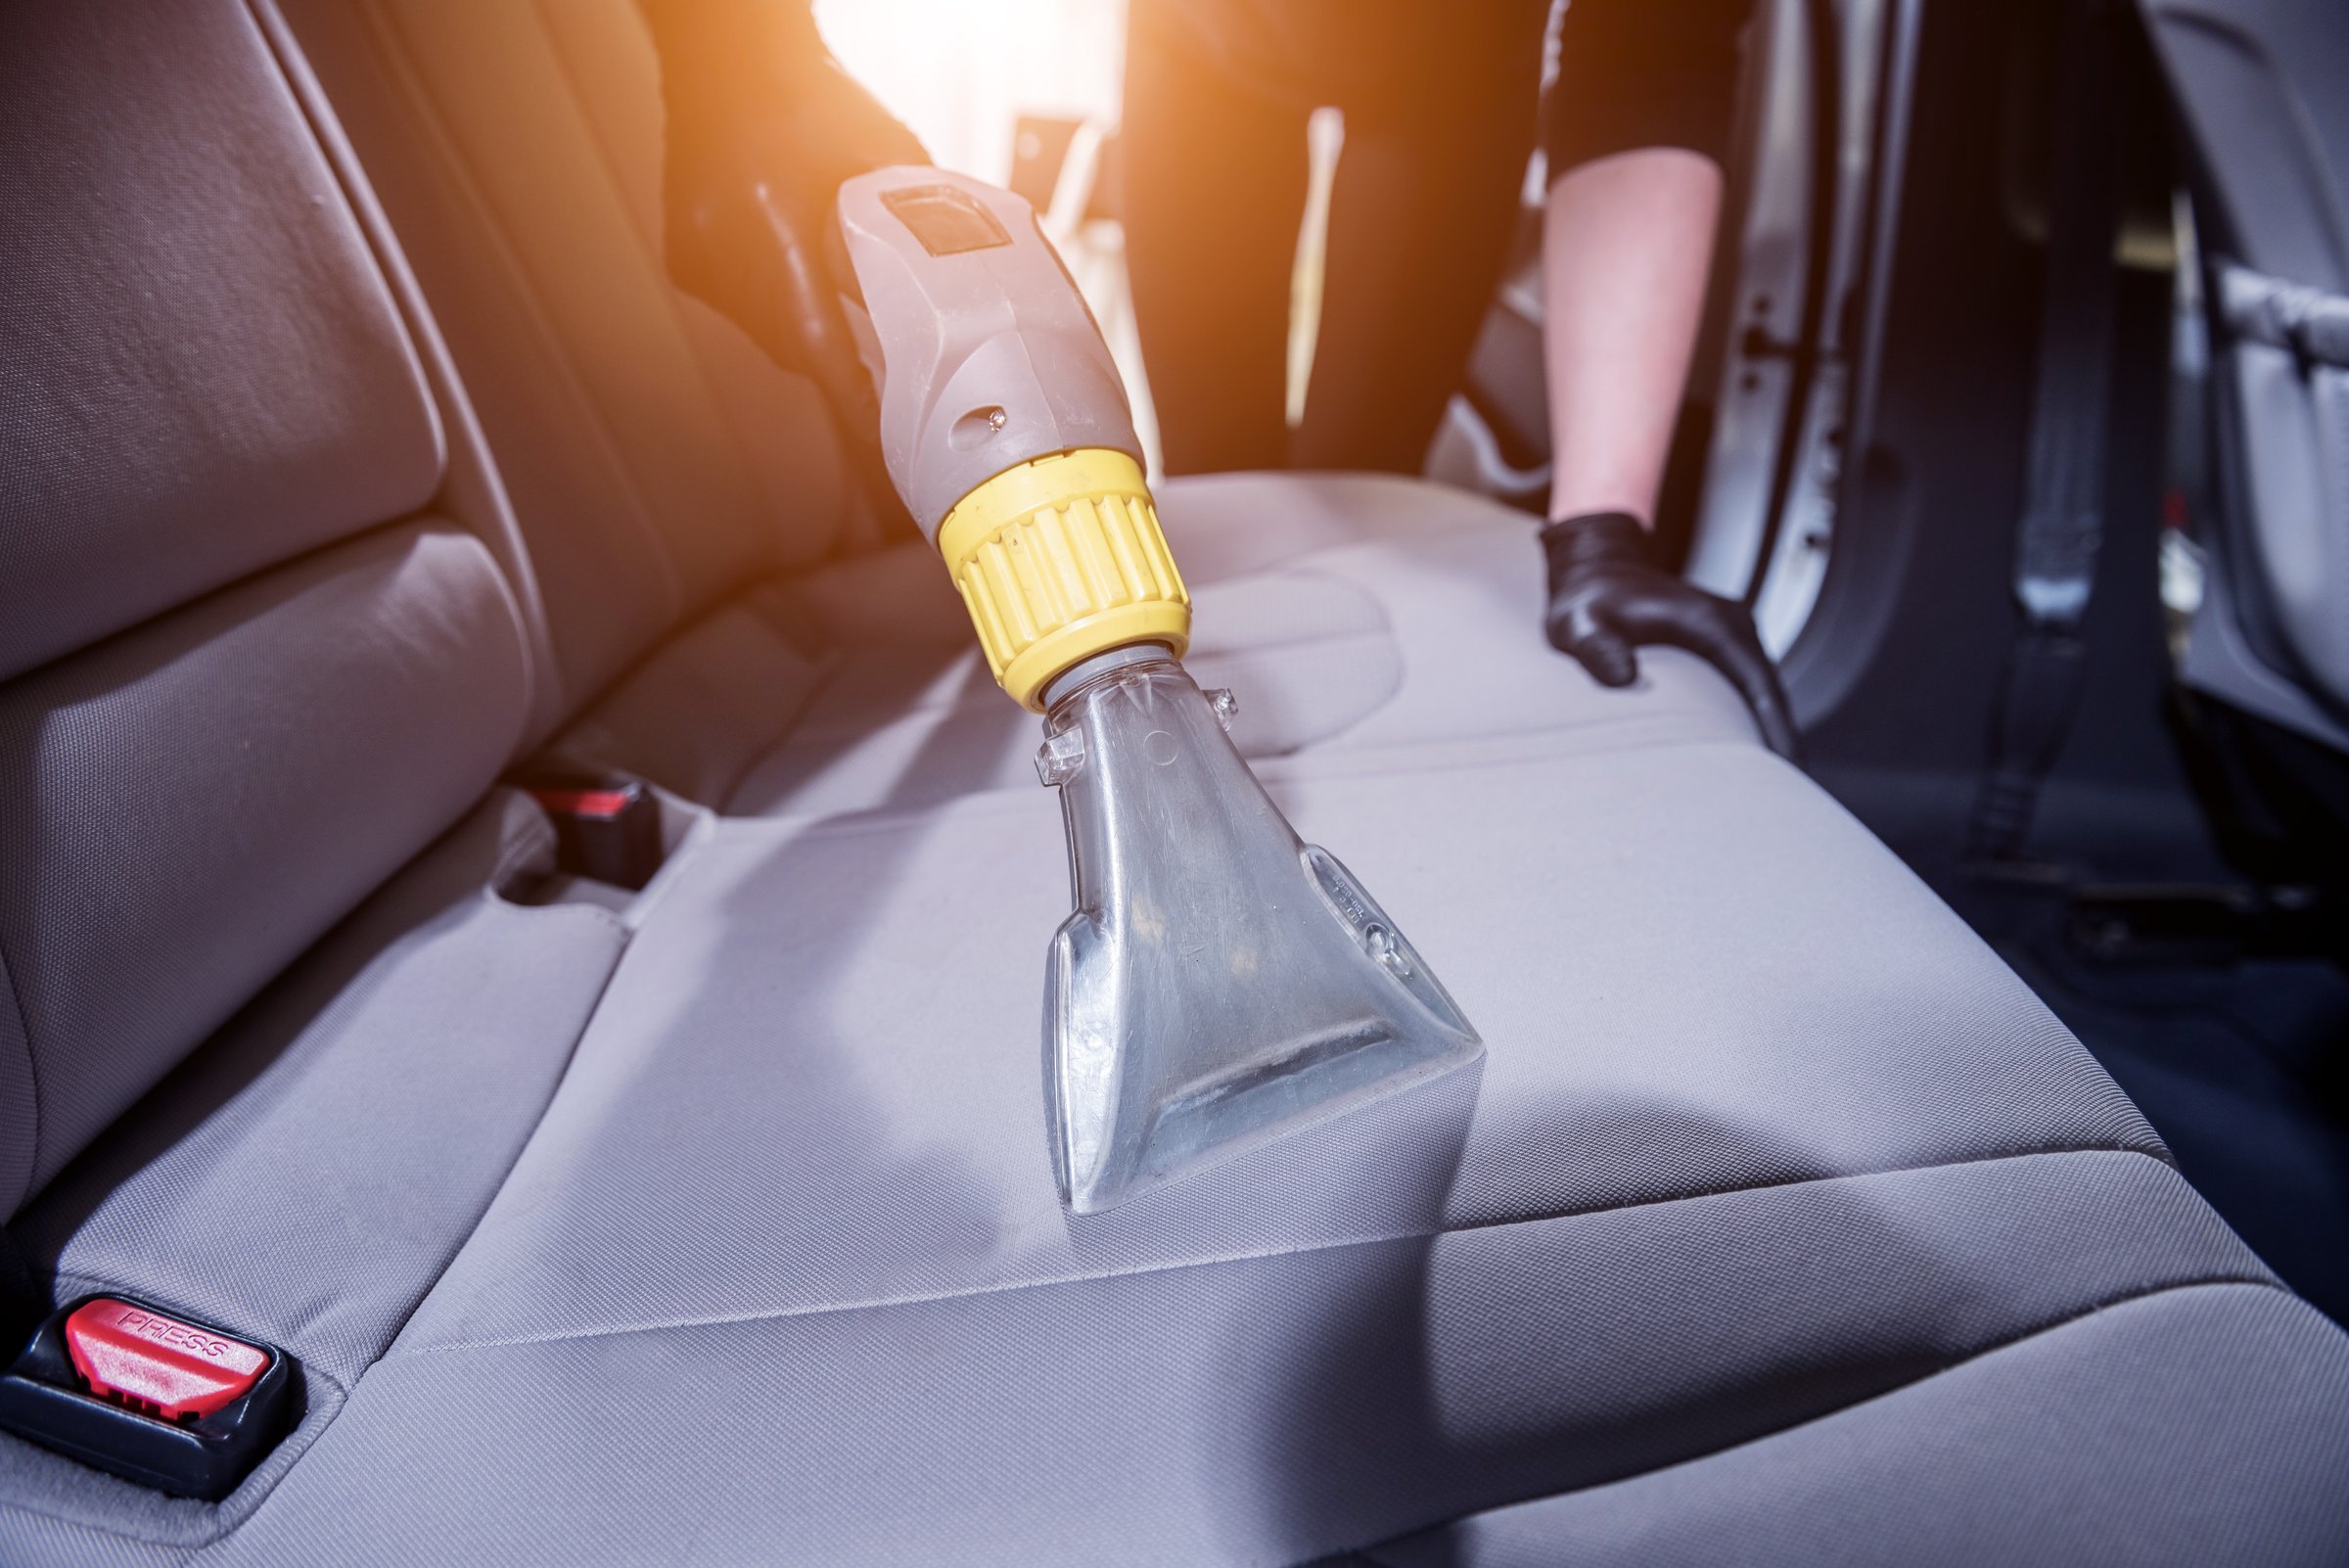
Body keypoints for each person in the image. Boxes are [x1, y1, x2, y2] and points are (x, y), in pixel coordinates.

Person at [639, 0, 1796, 757]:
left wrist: (1600, 531)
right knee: (1218, 480)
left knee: (1358, 473)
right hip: (1209, 47)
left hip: (1449, 73)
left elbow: (1653, 63)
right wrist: (740, 52)